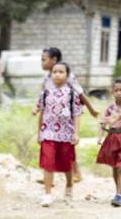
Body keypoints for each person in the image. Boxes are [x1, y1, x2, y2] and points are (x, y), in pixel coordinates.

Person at [38, 47, 98, 182]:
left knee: (66, 147)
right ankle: (49, 177)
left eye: (44, 60)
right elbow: (43, 96)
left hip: (66, 115)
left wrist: (91, 109)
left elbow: (80, 92)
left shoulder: (68, 76)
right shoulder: (47, 78)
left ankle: (76, 174)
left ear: (53, 60)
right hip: (51, 117)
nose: (41, 62)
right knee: (50, 145)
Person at [36, 61, 83, 207]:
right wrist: (39, 132)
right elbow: (41, 113)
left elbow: (77, 114)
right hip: (48, 133)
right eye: (54, 72)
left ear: (67, 75)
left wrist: (76, 133)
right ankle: (47, 194)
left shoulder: (72, 95)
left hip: (66, 133)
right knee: (48, 163)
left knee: (66, 163)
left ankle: (69, 187)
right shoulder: (45, 93)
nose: (57, 74)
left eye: (61, 72)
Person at [95, 77, 121, 207]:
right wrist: (100, 136)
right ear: (112, 92)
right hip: (113, 138)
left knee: (120, 166)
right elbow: (103, 122)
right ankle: (118, 191)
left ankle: (119, 195)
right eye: (116, 90)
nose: (119, 93)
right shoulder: (110, 108)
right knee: (115, 167)